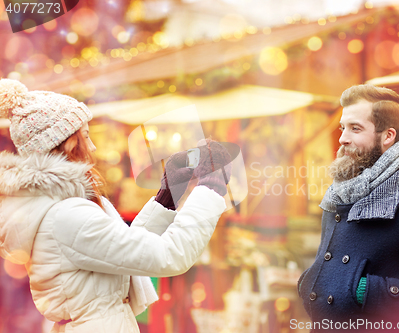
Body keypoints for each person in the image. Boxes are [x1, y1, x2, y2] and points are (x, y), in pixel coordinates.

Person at [0, 78, 232, 333]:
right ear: (67, 143)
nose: (93, 146)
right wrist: (211, 188)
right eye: (85, 136)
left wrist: (168, 195)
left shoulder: (56, 208)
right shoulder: (66, 215)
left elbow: (126, 245)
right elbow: (168, 255)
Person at [297, 84, 399, 332]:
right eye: (343, 128)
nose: (342, 138)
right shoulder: (339, 195)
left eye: (355, 128)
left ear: (387, 136)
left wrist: (361, 290)